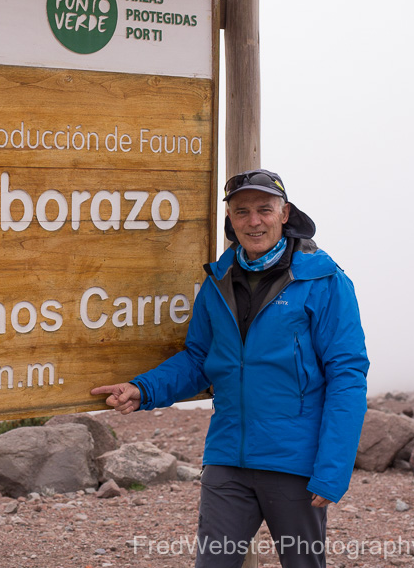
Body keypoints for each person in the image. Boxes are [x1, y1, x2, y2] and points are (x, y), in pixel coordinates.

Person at [92, 169, 368, 568]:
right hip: (227, 459)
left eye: (264, 209)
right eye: (242, 212)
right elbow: (199, 358)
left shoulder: (324, 281)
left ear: (285, 213)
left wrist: (333, 469)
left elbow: (347, 376)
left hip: (293, 461)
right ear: (231, 220)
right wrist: (144, 389)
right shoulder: (218, 281)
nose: (253, 221)